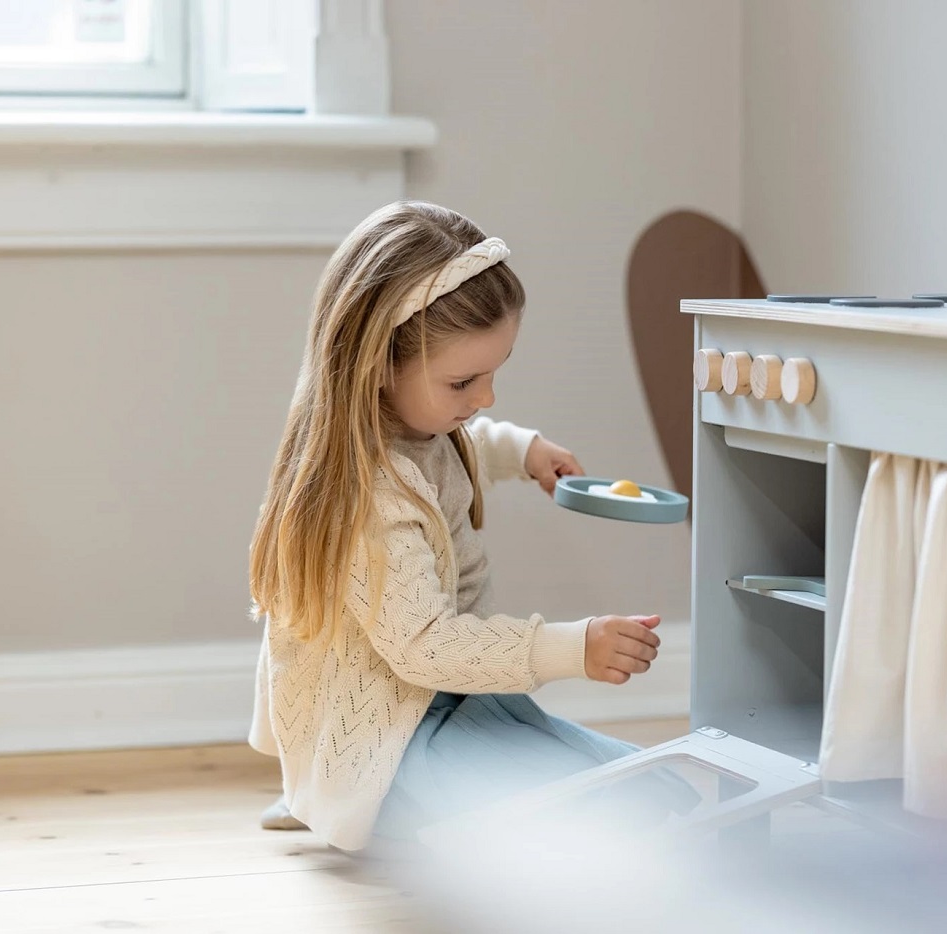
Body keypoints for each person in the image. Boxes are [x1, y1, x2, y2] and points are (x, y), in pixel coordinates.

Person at [247, 200, 679, 851]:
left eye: (493, 373)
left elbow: (465, 444)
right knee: (558, 814)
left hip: (442, 699)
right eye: (463, 382)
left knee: (612, 779)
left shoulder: (418, 425)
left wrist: (522, 449)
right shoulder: (370, 499)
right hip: (396, 735)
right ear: (377, 367)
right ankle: (334, 793)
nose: (484, 399)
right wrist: (571, 647)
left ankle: (324, 791)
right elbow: (425, 646)